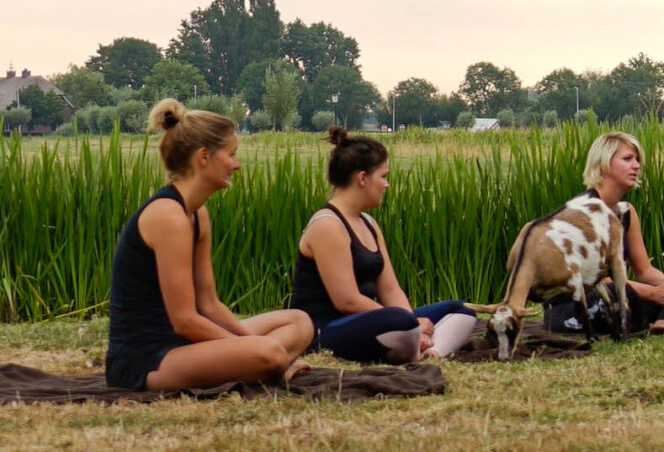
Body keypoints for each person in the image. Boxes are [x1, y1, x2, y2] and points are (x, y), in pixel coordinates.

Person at [104, 100, 314, 390]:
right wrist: (253, 349)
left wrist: (245, 343)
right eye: (231, 155)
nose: (237, 165)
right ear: (204, 157)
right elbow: (185, 321)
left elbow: (209, 304)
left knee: (300, 322)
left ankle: (258, 363)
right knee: (269, 353)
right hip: (148, 358)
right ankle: (267, 367)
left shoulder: (197, 213)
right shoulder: (168, 216)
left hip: (186, 343)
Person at [290, 127, 478, 363]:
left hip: (367, 320)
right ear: (362, 178)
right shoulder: (328, 226)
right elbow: (346, 300)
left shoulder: (368, 223)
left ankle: (431, 352)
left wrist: (412, 319)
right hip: (324, 329)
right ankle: (413, 345)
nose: (386, 184)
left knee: (461, 308)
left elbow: (389, 289)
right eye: (383, 176)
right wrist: (410, 322)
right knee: (399, 322)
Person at [543, 131, 664, 337]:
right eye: (628, 159)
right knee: (623, 293)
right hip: (572, 308)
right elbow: (597, 282)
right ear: (603, 164)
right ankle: (639, 319)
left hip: (618, 297)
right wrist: (653, 293)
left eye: (637, 160)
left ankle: (661, 324)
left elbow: (645, 271)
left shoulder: (627, 211)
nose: (636, 165)